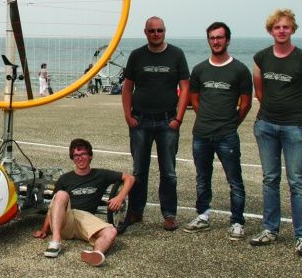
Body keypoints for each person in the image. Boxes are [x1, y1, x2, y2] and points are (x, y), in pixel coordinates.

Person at [250, 9, 302, 258]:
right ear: (270, 30)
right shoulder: (261, 58)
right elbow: (260, 92)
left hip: (295, 127)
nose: (281, 31)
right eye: (277, 27)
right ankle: (270, 229)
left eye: (286, 27)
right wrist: (272, 113)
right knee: (270, 179)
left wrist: (298, 116)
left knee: (297, 181)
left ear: (292, 29)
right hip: (267, 126)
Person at [184, 22, 252, 240]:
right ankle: (203, 216)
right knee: (202, 178)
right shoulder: (200, 69)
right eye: (212, 38)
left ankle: (237, 221)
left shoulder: (239, 69)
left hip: (227, 135)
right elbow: (194, 97)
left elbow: (246, 103)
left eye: (220, 37)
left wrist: (231, 123)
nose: (216, 41)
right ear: (208, 40)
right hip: (202, 134)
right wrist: (204, 116)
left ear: (228, 40)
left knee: (235, 180)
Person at [121, 16, 189, 231]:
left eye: (160, 30)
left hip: (167, 120)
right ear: (145, 32)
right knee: (139, 170)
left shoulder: (176, 54)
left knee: (168, 171)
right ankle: (136, 212)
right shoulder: (137, 56)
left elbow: (185, 87)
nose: (156, 34)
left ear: (165, 31)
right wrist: (128, 116)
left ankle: (169, 214)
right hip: (140, 120)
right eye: (152, 31)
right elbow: (127, 87)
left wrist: (178, 118)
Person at [33, 138, 134, 267]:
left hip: (85, 219)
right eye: (76, 155)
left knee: (111, 231)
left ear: (90, 156)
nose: (80, 158)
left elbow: (129, 178)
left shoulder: (101, 175)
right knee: (61, 194)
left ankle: (96, 253)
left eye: (83, 154)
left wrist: (120, 197)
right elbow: (53, 208)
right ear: (72, 158)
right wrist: (44, 229)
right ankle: (55, 242)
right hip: (66, 219)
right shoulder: (65, 179)